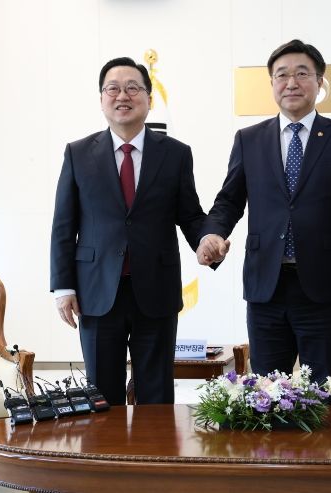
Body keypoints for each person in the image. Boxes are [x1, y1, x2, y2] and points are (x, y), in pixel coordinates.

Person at [197, 39, 331, 404]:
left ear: (319, 82)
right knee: (266, 399)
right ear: (272, 83)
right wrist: (213, 234)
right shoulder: (249, 140)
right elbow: (229, 201)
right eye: (281, 75)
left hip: (324, 289)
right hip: (266, 288)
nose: (291, 83)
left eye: (302, 74)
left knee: (325, 397)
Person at [50, 57, 207, 405]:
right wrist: (63, 287)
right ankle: (107, 446)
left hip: (156, 288)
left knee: (157, 393)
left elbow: (190, 215)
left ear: (149, 99)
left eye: (133, 88)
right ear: (101, 99)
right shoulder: (78, 153)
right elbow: (63, 225)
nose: (123, 96)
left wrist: (208, 240)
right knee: (101, 395)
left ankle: (155, 445)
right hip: (96, 291)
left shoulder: (176, 154)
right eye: (113, 88)